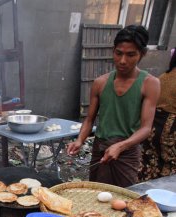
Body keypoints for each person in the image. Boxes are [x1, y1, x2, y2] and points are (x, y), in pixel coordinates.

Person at [67, 25, 160, 187]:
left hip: (127, 152)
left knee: (122, 199)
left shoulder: (150, 84)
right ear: (113, 51)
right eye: (119, 53)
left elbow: (146, 128)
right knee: (95, 194)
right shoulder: (100, 83)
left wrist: (121, 145)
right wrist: (80, 140)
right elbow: (89, 120)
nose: (123, 60)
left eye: (131, 55)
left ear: (142, 54)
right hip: (100, 148)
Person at [139, 47, 176, 181]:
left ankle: (143, 196)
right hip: (170, 129)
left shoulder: (164, 76)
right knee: (170, 168)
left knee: (148, 163)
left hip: (153, 127)